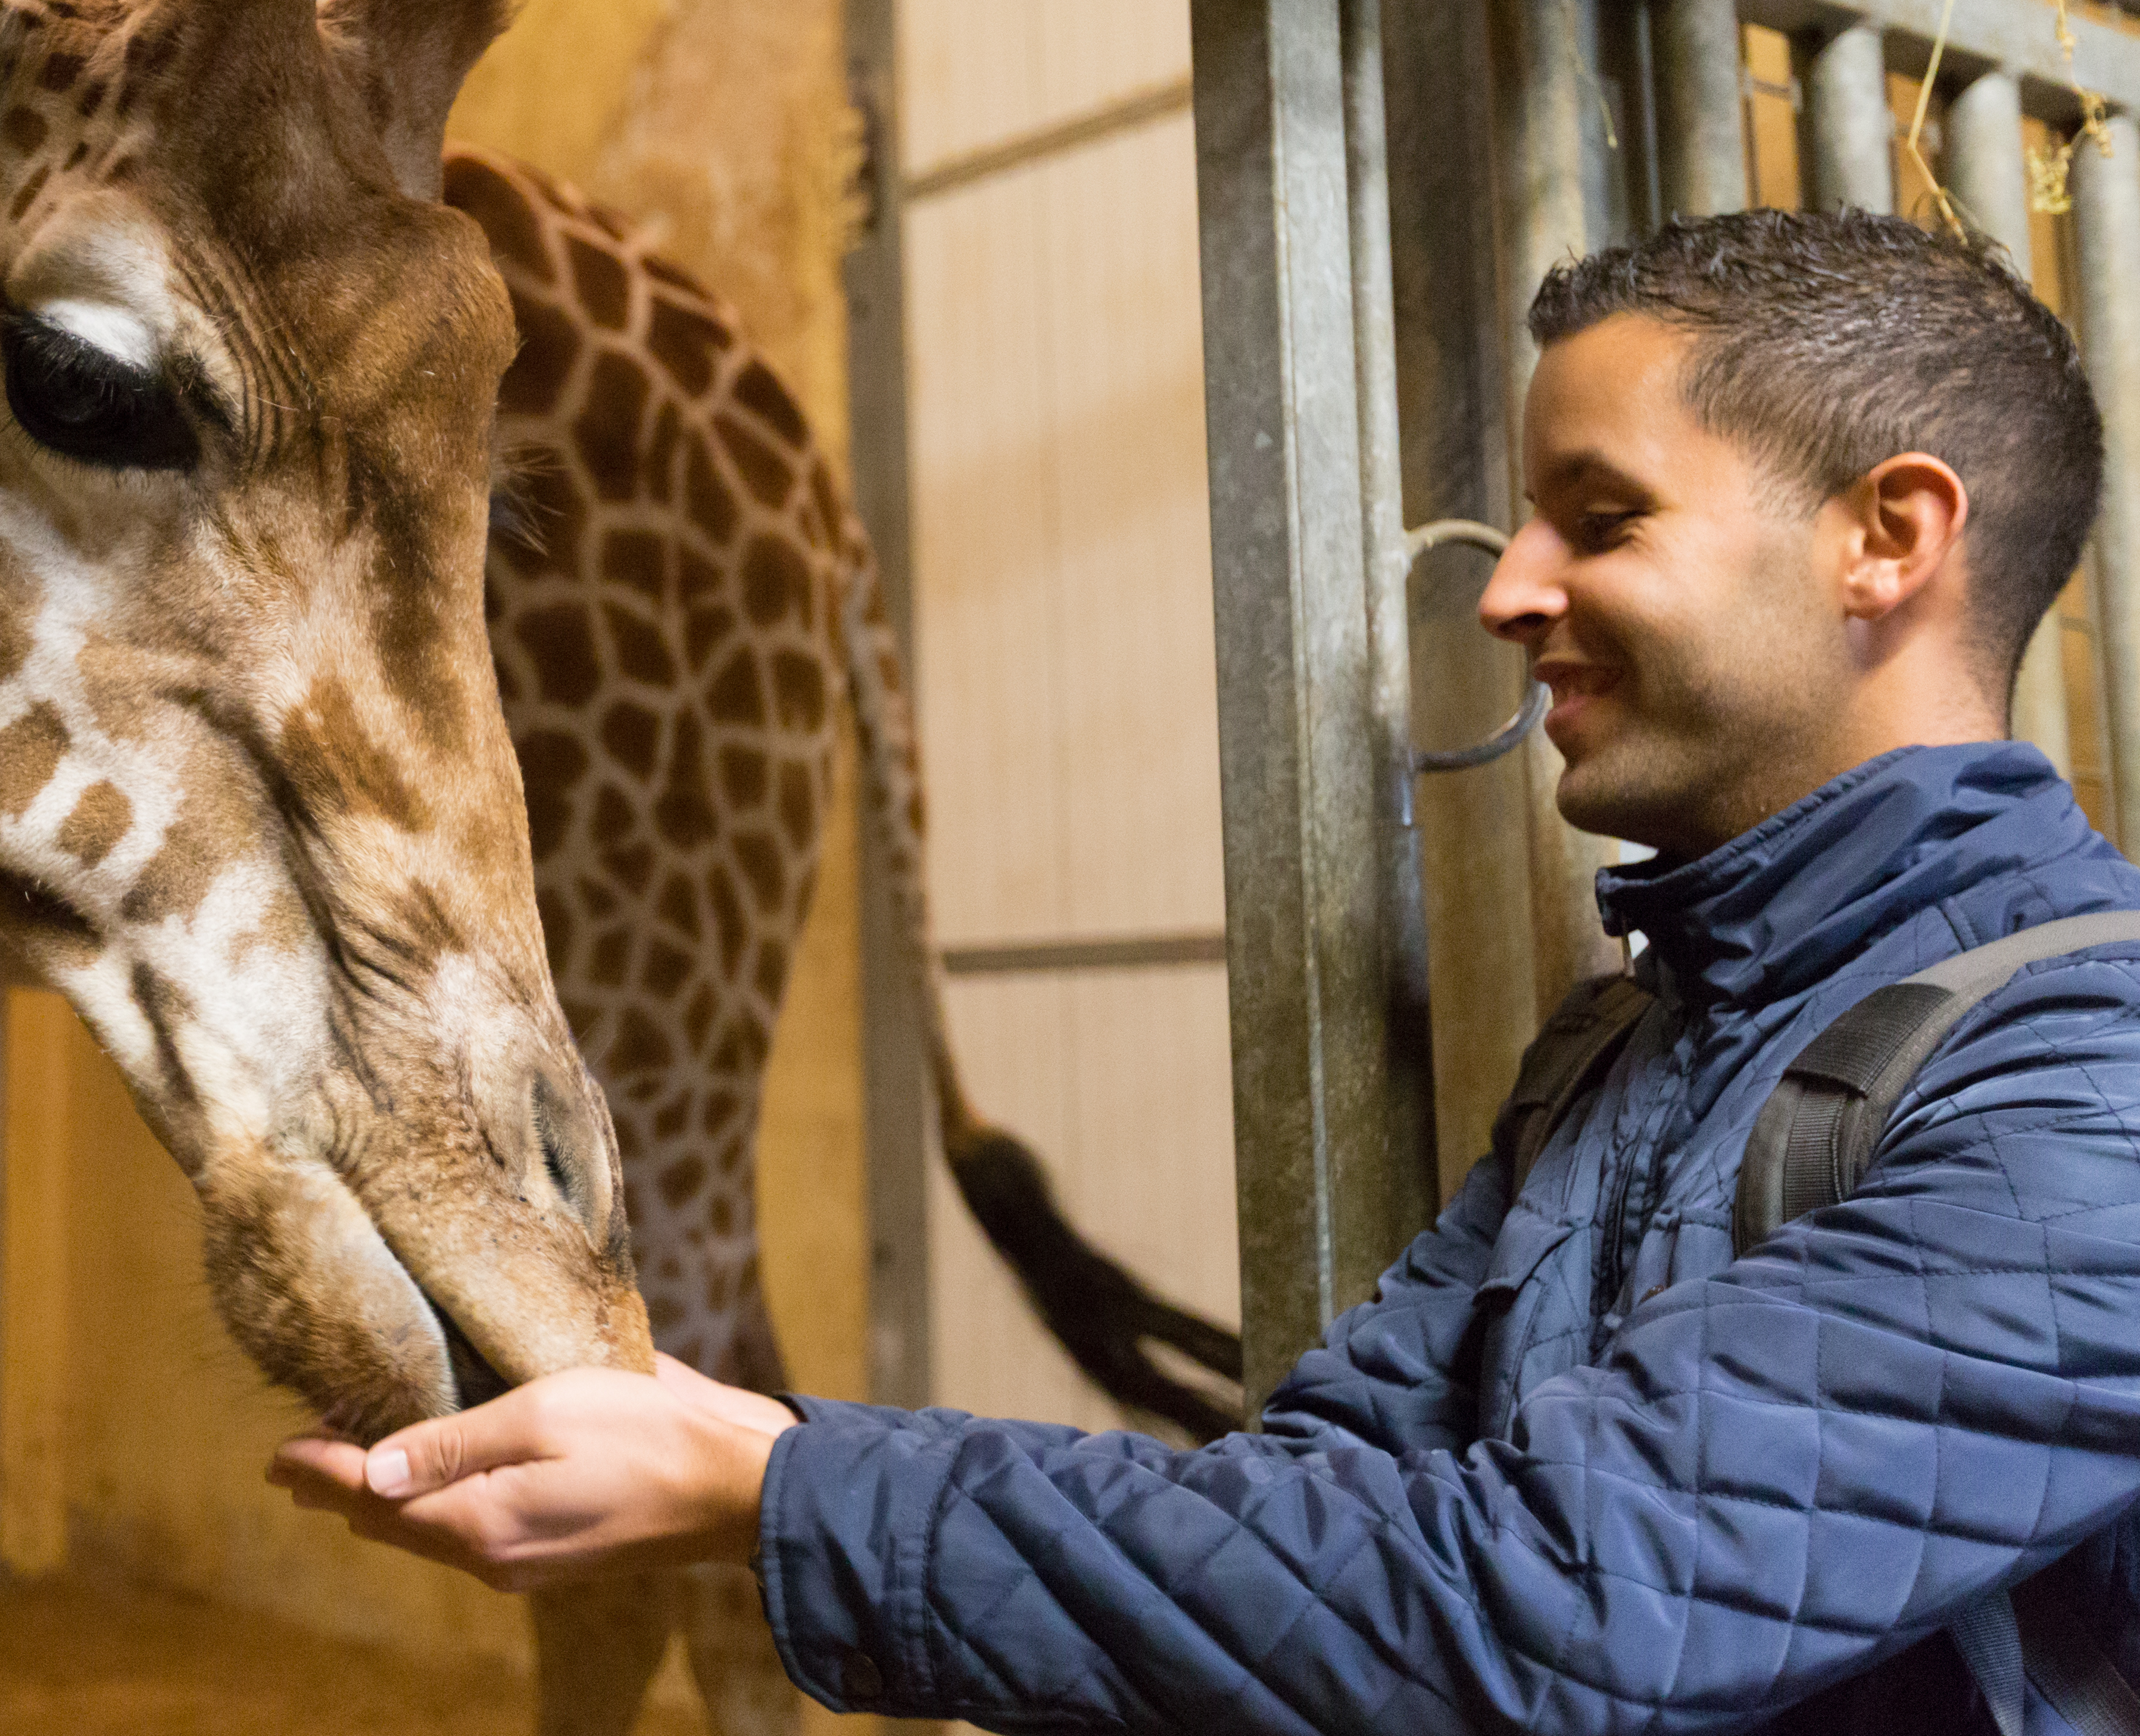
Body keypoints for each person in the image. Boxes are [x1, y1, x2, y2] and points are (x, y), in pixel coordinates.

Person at [270, 205, 2140, 1733]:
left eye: (1601, 514)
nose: (1503, 590)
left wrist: (772, 1487)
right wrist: (759, 1456)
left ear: (1883, 540)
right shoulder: (1627, 1039)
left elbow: (1554, 1603)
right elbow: (1319, 1507)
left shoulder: (2087, 1076)